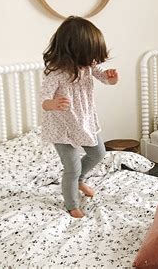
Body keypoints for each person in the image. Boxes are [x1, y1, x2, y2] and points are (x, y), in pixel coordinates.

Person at [41, 16, 118, 218]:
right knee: (72, 168)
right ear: (75, 50)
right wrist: (53, 104)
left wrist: (111, 78)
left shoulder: (87, 66)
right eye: (90, 53)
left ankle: (80, 180)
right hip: (63, 127)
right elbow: (44, 99)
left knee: (98, 153)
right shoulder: (55, 73)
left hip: (85, 121)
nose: (94, 60)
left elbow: (103, 78)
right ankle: (71, 204)